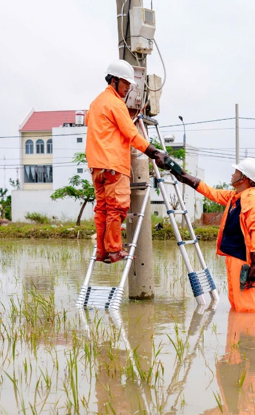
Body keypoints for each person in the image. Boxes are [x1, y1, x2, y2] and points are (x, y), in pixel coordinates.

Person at [85, 59, 169, 264]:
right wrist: (154, 152)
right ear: (113, 81)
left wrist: (127, 114)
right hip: (113, 164)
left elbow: (96, 122)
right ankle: (114, 250)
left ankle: (102, 251)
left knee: (102, 209)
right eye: (125, 85)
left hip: (96, 167)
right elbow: (132, 135)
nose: (127, 90)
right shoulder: (115, 103)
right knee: (117, 208)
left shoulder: (97, 102)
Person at [169, 158, 255, 313]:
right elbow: (212, 192)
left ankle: (248, 333)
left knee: (246, 305)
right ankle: (236, 334)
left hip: (243, 260)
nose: (232, 174)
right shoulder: (235, 197)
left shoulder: (251, 201)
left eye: (236, 172)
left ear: (244, 178)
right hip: (233, 256)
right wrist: (185, 177)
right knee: (235, 300)